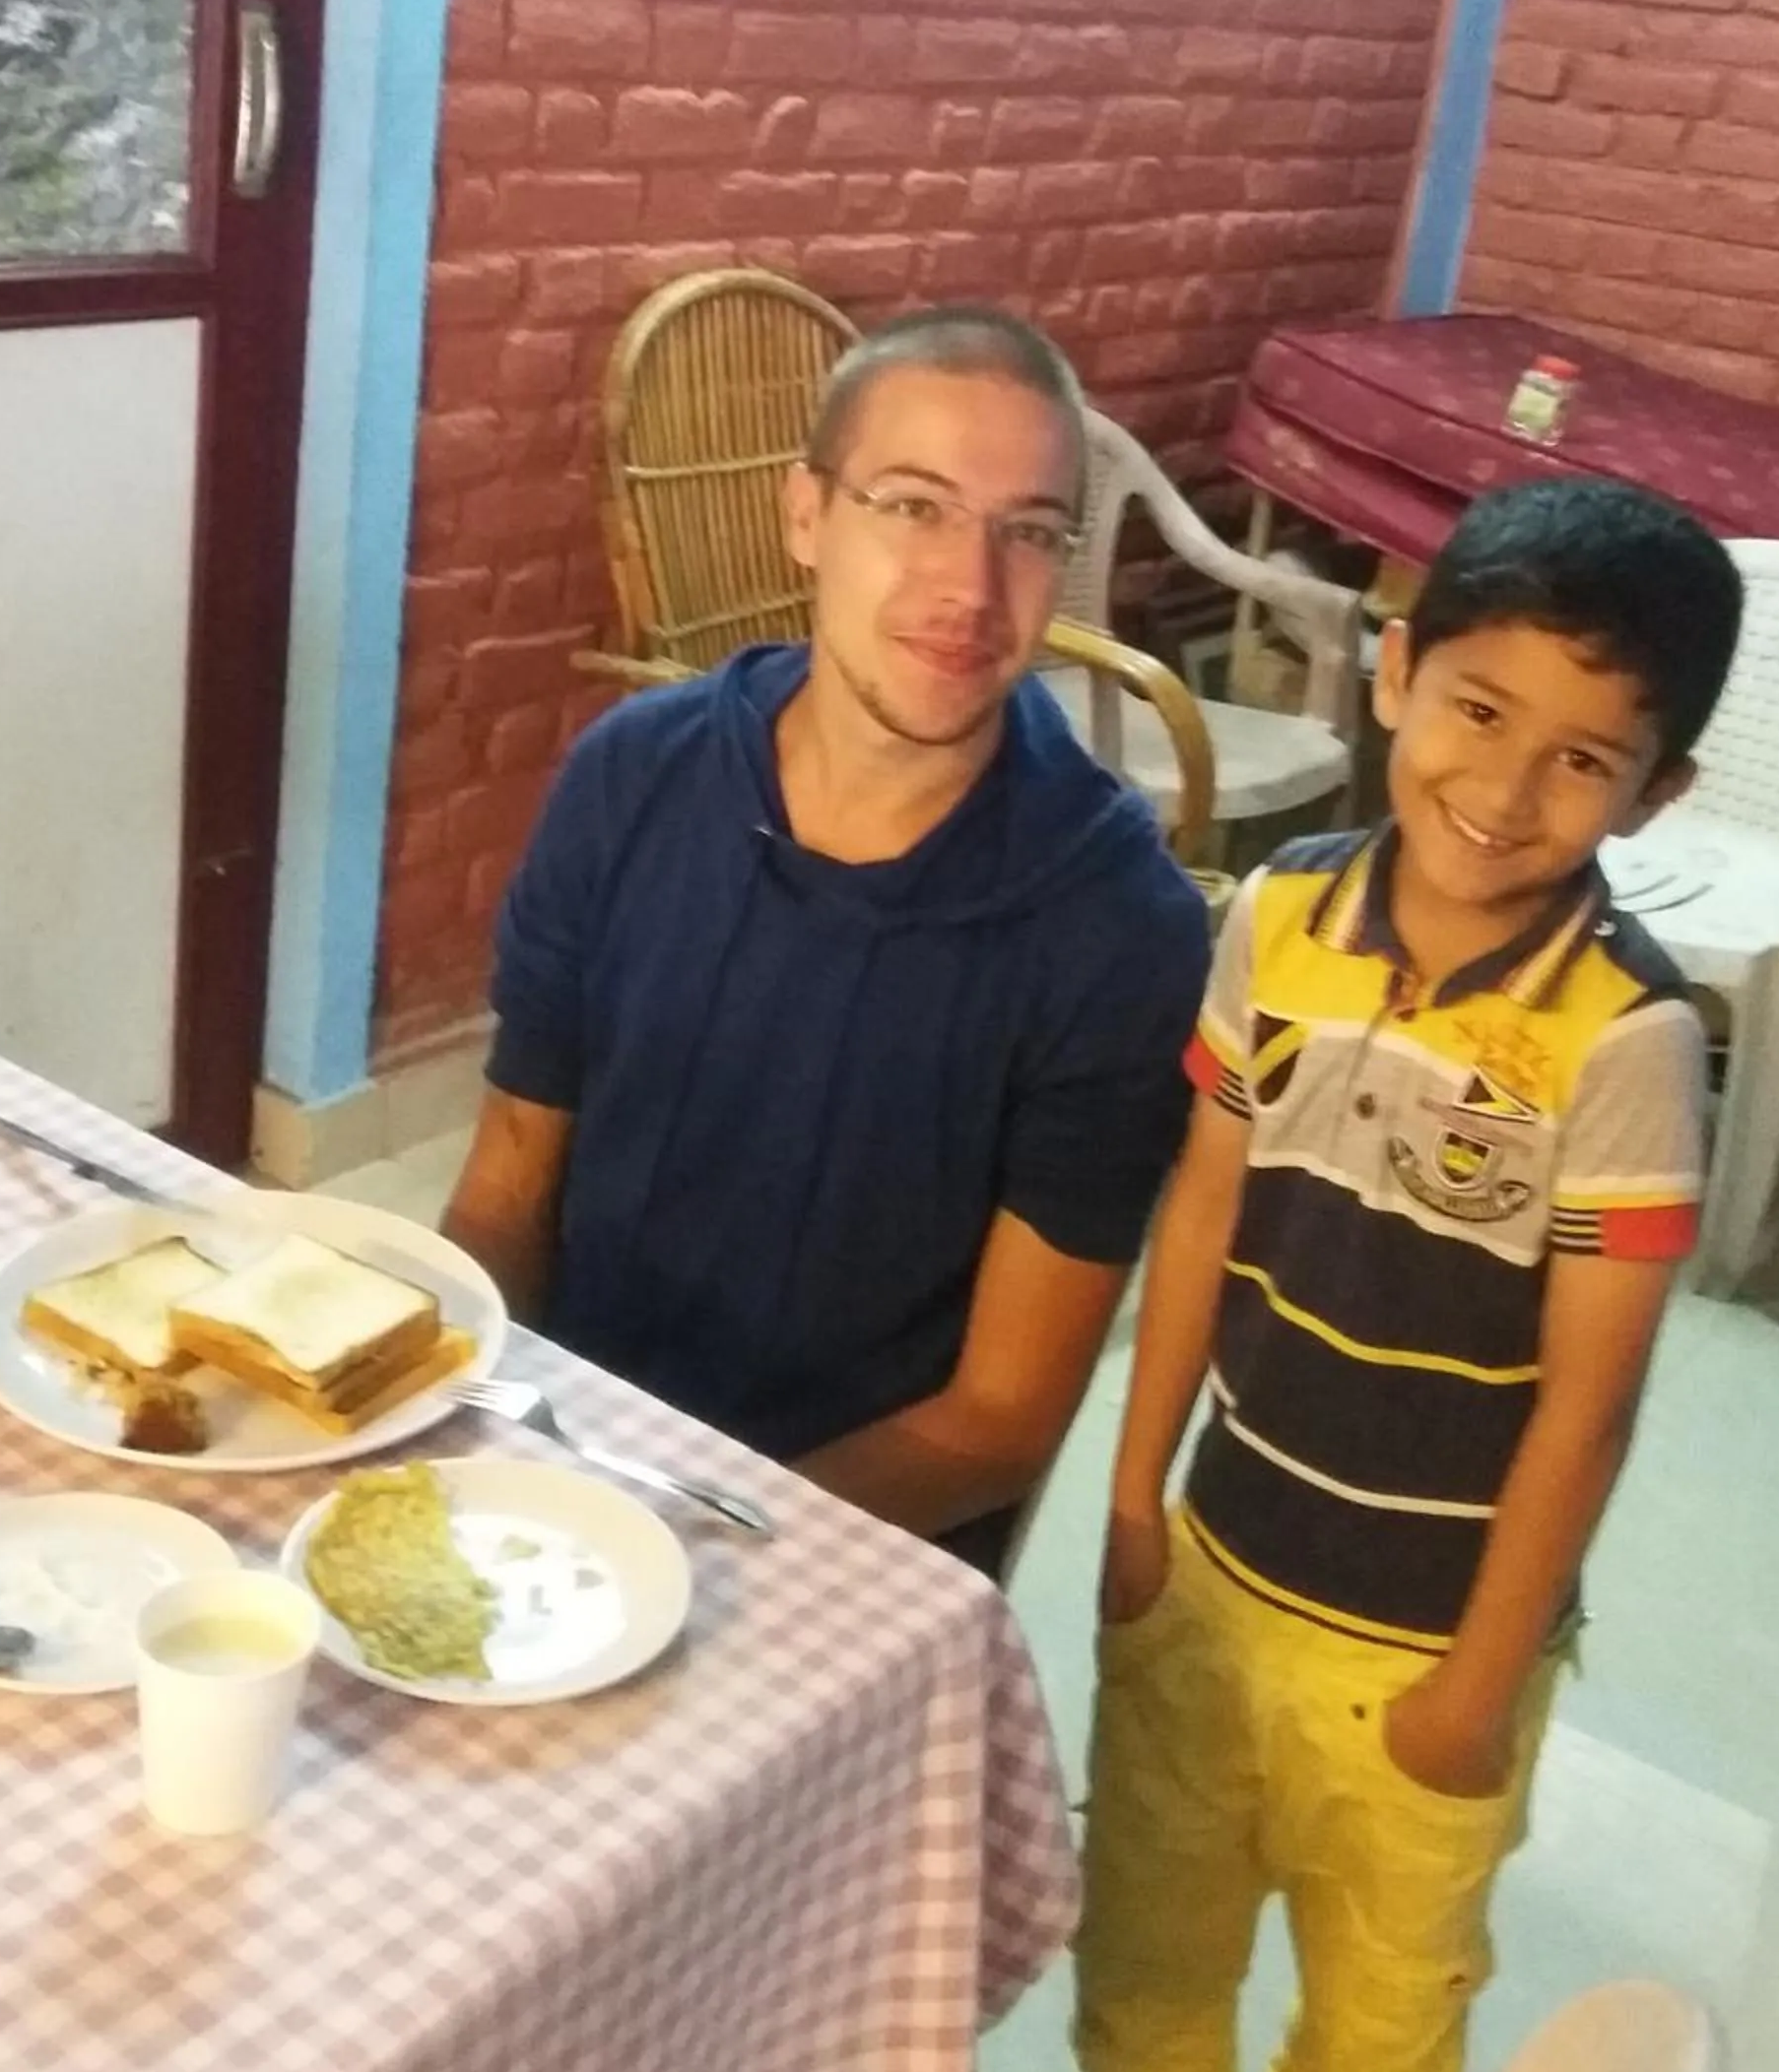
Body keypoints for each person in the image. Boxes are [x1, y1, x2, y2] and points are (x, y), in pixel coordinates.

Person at [1005, 477, 1745, 2072]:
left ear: (1662, 792)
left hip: (1422, 1652)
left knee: (1376, 2038)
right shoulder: (1277, 917)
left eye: (1585, 758)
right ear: (1398, 672)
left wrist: (1477, 1687)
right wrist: (1130, 1494)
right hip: (1211, 1573)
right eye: (1481, 710)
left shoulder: (1630, 1037)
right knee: (1144, 1973)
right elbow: (1200, 1211)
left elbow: (1594, 1395)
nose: (1503, 791)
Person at [440, 306, 1211, 1571]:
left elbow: (1000, 1421)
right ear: (808, 518)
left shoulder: (1120, 928)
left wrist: (682, 1548)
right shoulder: (633, 776)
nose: (969, 589)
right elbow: (509, 1181)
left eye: (1027, 532)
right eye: (913, 506)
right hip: (560, 1467)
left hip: (838, 1549)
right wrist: (458, 1424)